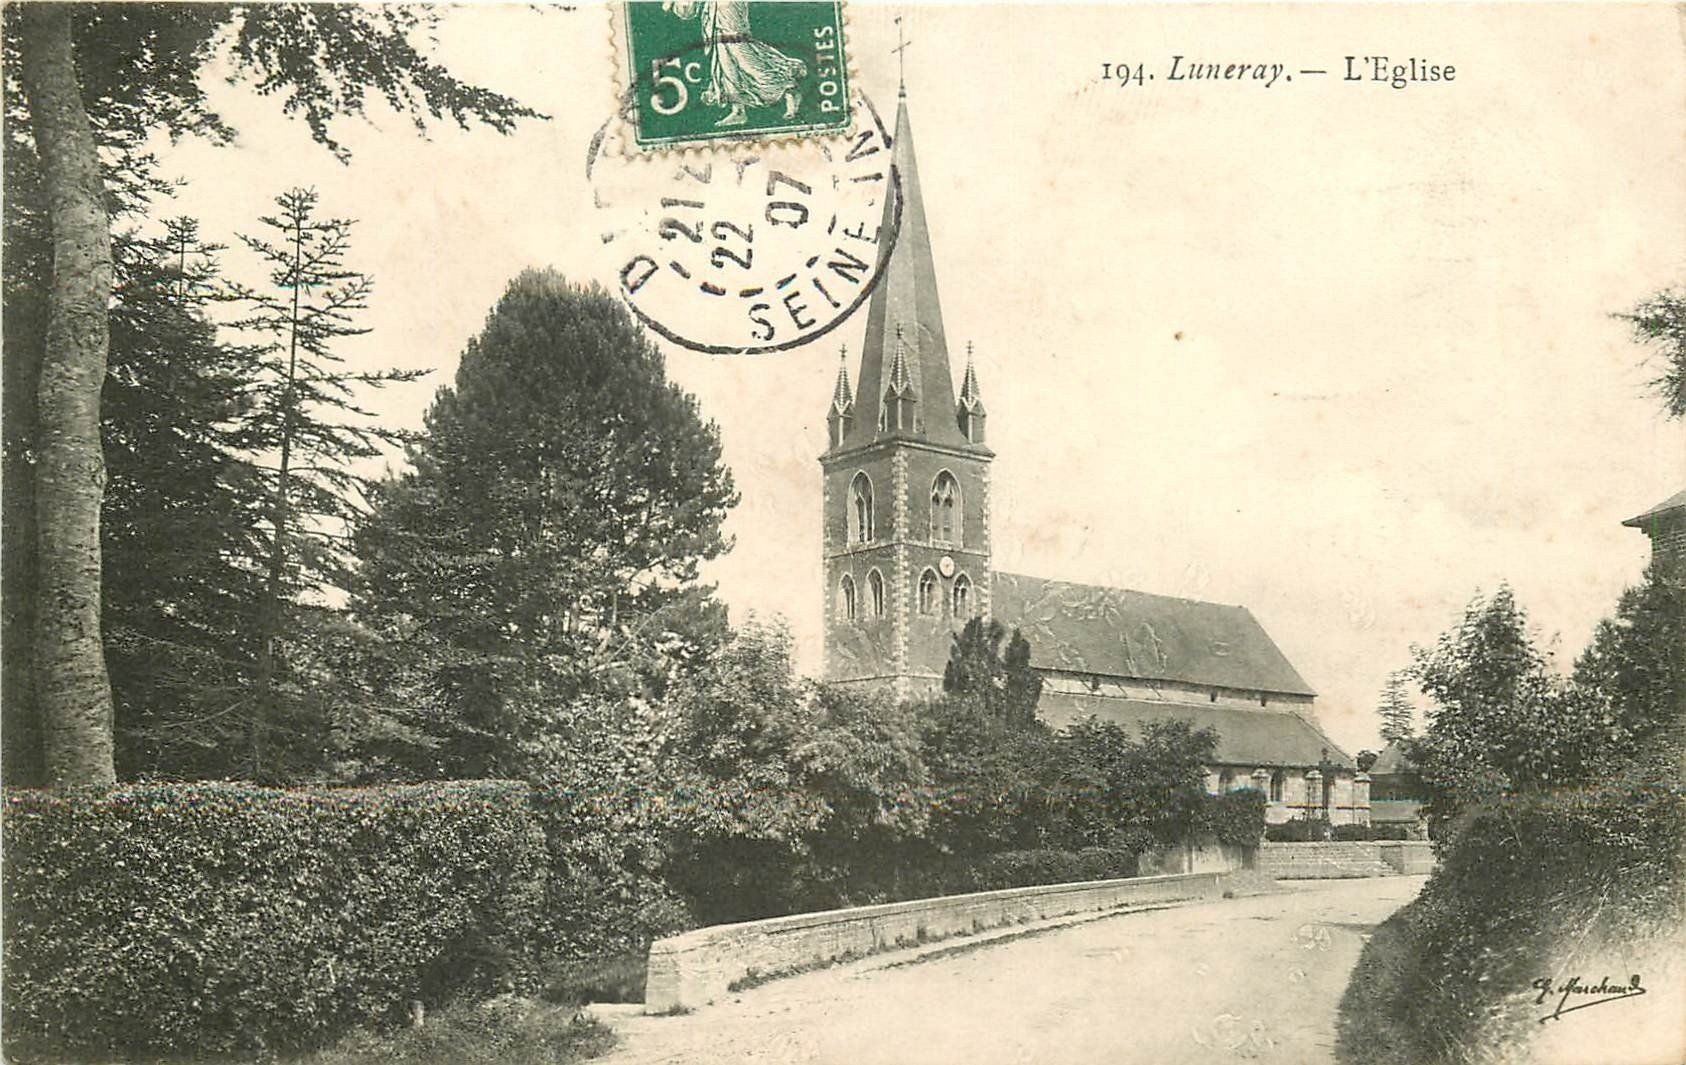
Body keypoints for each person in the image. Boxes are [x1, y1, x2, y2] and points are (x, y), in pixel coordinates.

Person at [665, 1, 806, 127]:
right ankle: (738, 110)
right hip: (716, 9)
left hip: (728, 8)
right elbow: (687, 12)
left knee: (743, 56)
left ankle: (788, 88)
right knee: (725, 60)